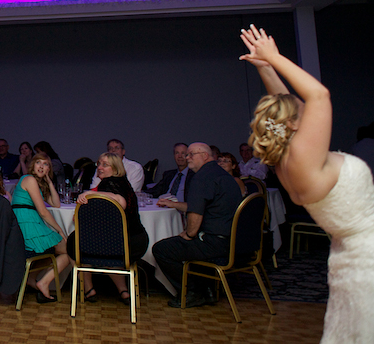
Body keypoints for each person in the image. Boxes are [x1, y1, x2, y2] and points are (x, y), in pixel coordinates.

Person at [240, 24, 374, 342]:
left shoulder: (288, 158)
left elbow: (287, 100)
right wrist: (275, 56)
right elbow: (318, 95)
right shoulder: (303, 156)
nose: (303, 106)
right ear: (292, 123)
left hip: (348, 262)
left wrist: (266, 67)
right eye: (299, 110)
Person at [153, 142, 241, 308]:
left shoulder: (201, 178)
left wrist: (188, 234)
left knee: (162, 249)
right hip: (231, 240)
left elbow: (196, 216)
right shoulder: (223, 176)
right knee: (186, 244)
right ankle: (207, 290)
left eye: (191, 154)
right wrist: (175, 205)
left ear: (205, 156)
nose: (187, 158)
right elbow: (207, 205)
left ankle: (192, 292)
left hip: (213, 243)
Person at [68, 152, 148, 306]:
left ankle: (88, 289)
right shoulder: (124, 182)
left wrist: (91, 194)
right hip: (134, 241)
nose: (99, 167)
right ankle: (123, 291)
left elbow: (120, 201)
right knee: (97, 241)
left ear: (116, 168)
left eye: (105, 164)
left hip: (122, 244)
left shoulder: (109, 184)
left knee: (75, 241)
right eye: (98, 163)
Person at [12, 152, 71, 303]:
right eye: (39, 162)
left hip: (29, 223)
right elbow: (43, 212)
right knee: (69, 251)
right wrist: (59, 230)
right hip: (27, 225)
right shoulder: (29, 179)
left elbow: (56, 204)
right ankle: (44, 282)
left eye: (46, 164)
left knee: (47, 251)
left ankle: (32, 280)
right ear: (33, 165)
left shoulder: (36, 182)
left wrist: (49, 182)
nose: (42, 166)